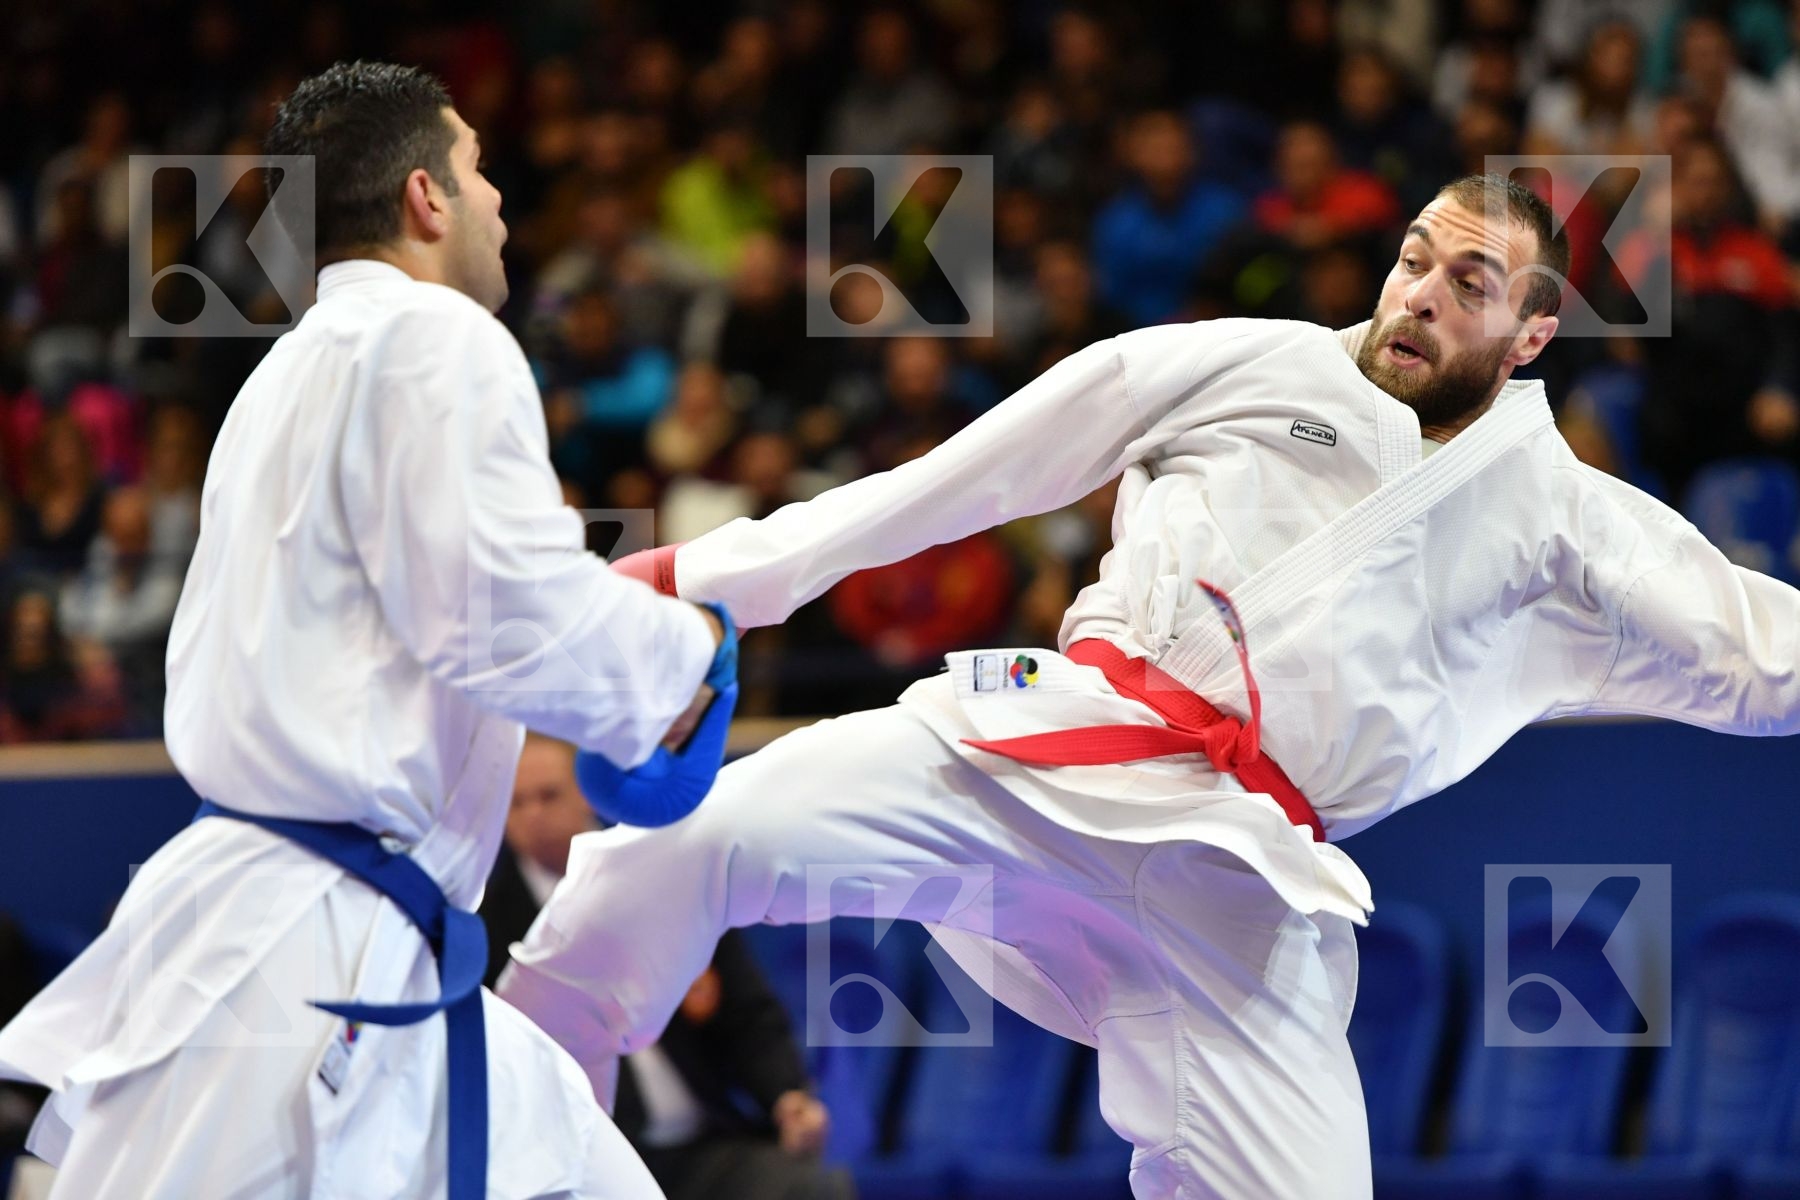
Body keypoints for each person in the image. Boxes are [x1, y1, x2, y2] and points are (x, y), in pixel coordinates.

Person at [498, 173, 1800, 1200]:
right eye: (1413, 257)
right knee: (690, 841)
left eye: (1470, 282)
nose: (1420, 294)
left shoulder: (1560, 512)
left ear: (1533, 331)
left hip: (1242, 879)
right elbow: (972, 474)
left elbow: (1753, 648)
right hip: (1041, 743)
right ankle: (505, 1134)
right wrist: (722, 575)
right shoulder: (1256, 362)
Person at [0, 61, 735, 1200]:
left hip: (350, 928)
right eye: (481, 169)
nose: (499, 201)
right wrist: (679, 663)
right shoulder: (436, 338)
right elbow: (500, 611)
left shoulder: (283, 375)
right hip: (307, 944)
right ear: (426, 199)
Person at [484, 734, 853, 1200]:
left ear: (587, 792)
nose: (533, 815)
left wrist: (787, 1094)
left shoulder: (661, 875)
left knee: (812, 1188)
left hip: (705, 1145)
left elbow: (745, 1009)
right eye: (516, 803)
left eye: (549, 795)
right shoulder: (484, 931)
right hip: (591, 1157)